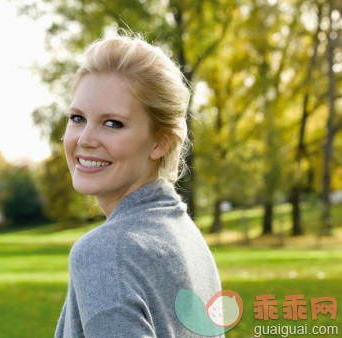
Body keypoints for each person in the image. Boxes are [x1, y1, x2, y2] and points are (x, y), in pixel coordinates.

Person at [54, 35, 222, 338]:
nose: (85, 139)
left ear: (160, 141)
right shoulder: (187, 238)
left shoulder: (105, 252)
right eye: (78, 118)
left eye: (112, 123)